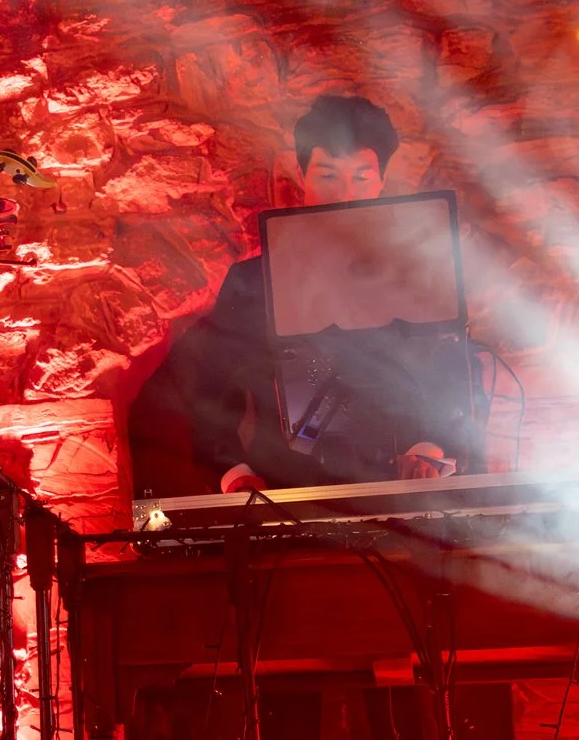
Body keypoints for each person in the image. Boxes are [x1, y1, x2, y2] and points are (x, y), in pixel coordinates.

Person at [133, 95, 460, 495]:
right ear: (303, 178)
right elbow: (210, 383)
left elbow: (450, 367)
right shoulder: (253, 282)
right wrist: (234, 471)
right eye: (327, 176)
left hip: (407, 489)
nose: (345, 193)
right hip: (284, 492)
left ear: (380, 183)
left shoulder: (419, 278)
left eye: (360, 177)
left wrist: (429, 449)